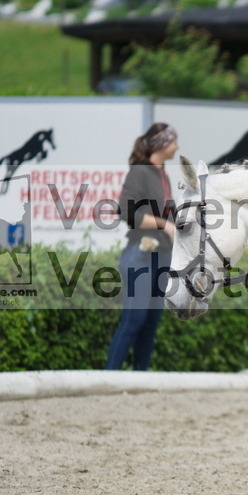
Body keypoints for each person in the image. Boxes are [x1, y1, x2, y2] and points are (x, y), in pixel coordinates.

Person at [104, 123, 179, 371]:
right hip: (141, 255)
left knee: (150, 322)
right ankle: (109, 377)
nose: (177, 146)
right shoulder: (140, 172)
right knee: (133, 320)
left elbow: (173, 217)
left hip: (162, 257)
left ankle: (140, 378)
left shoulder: (162, 174)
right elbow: (127, 212)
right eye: (173, 141)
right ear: (161, 144)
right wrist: (163, 225)